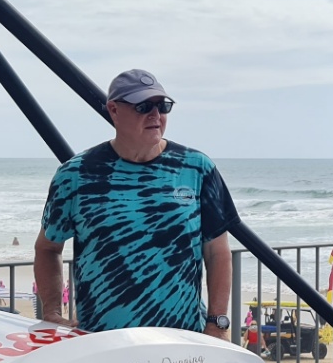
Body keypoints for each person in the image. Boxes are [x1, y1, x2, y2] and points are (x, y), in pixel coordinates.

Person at [34, 69, 232, 335]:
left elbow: (217, 252)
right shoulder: (76, 174)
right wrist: (52, 312)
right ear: (113, 110)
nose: (155, 115)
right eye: (143, 106)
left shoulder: (197, 168)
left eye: (162, 106)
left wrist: (217, 322)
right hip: (102, 341)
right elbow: (48, 248)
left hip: (184, 340)